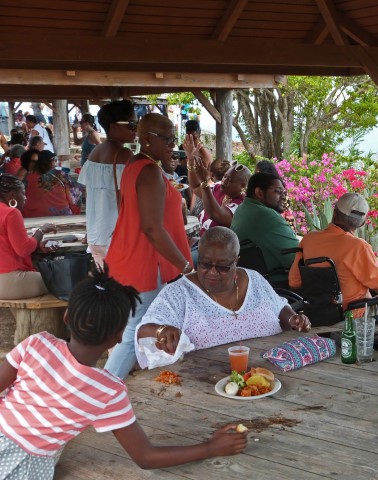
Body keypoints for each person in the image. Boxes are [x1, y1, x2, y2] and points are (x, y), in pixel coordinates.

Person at [0, 265, 247, 478]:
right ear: (118, 337)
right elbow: (146, 457)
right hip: (22, 467)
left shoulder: (36, 343)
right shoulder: (107, 390)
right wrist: (210, 448)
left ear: (66, 316)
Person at [134, 226, 310, 364]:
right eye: (205, 264)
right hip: (205, 382)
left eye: (222, 266)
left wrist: (293, 319)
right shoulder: (179, 292)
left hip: (270, 373)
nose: (212, 272)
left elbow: (279, 307)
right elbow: (143, 329)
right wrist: (161, 330)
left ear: (236, 261)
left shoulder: (254, 280)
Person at [104, 113, 193, 379]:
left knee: (129, 329)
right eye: (166, 139)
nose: (171, 145)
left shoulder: (134, 164)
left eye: (173, 138)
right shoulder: (150, 171)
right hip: (143, 263)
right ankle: (105, 388)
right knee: (135, 329)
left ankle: (105, 386)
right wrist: (185, 265)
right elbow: (152, 228)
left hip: (126, 257)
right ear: (146, 139)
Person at [288, 192, 378, 322]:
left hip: (319, 314)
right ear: (362, 223)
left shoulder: (308, 239)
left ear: (334, 213)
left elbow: (294, 283)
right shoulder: (358, 247)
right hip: (356, 316)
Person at [77, 100, 136, 267]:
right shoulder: (124, 154)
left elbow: (89, 194)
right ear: (113, 126)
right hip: (117, 234)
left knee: (105, 286)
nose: (135, 129)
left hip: (97, 233)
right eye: (131, 124)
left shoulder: (96, 152)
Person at [231, 172, 299, 283]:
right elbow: (295, 259)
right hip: (276, 283)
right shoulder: (266, 216)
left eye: (284, 192)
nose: (283, 197)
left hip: (251, 279)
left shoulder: (243, 208)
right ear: (259, 193)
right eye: (278, 191)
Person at [0, 174, 57, 300]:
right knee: (64, 277)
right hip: (9, 281)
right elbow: (23, 249)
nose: (25, 198)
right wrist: (40, 232)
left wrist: (35, 242)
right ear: (12, 195)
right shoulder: (11, 213)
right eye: (23, 193)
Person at [22, 150, 76, 217]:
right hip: (61, 216)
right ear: (51, 163)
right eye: (54, 160)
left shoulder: (27, 177)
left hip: (32, 216)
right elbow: (73, 200)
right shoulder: (62, 175)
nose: (55, 162)